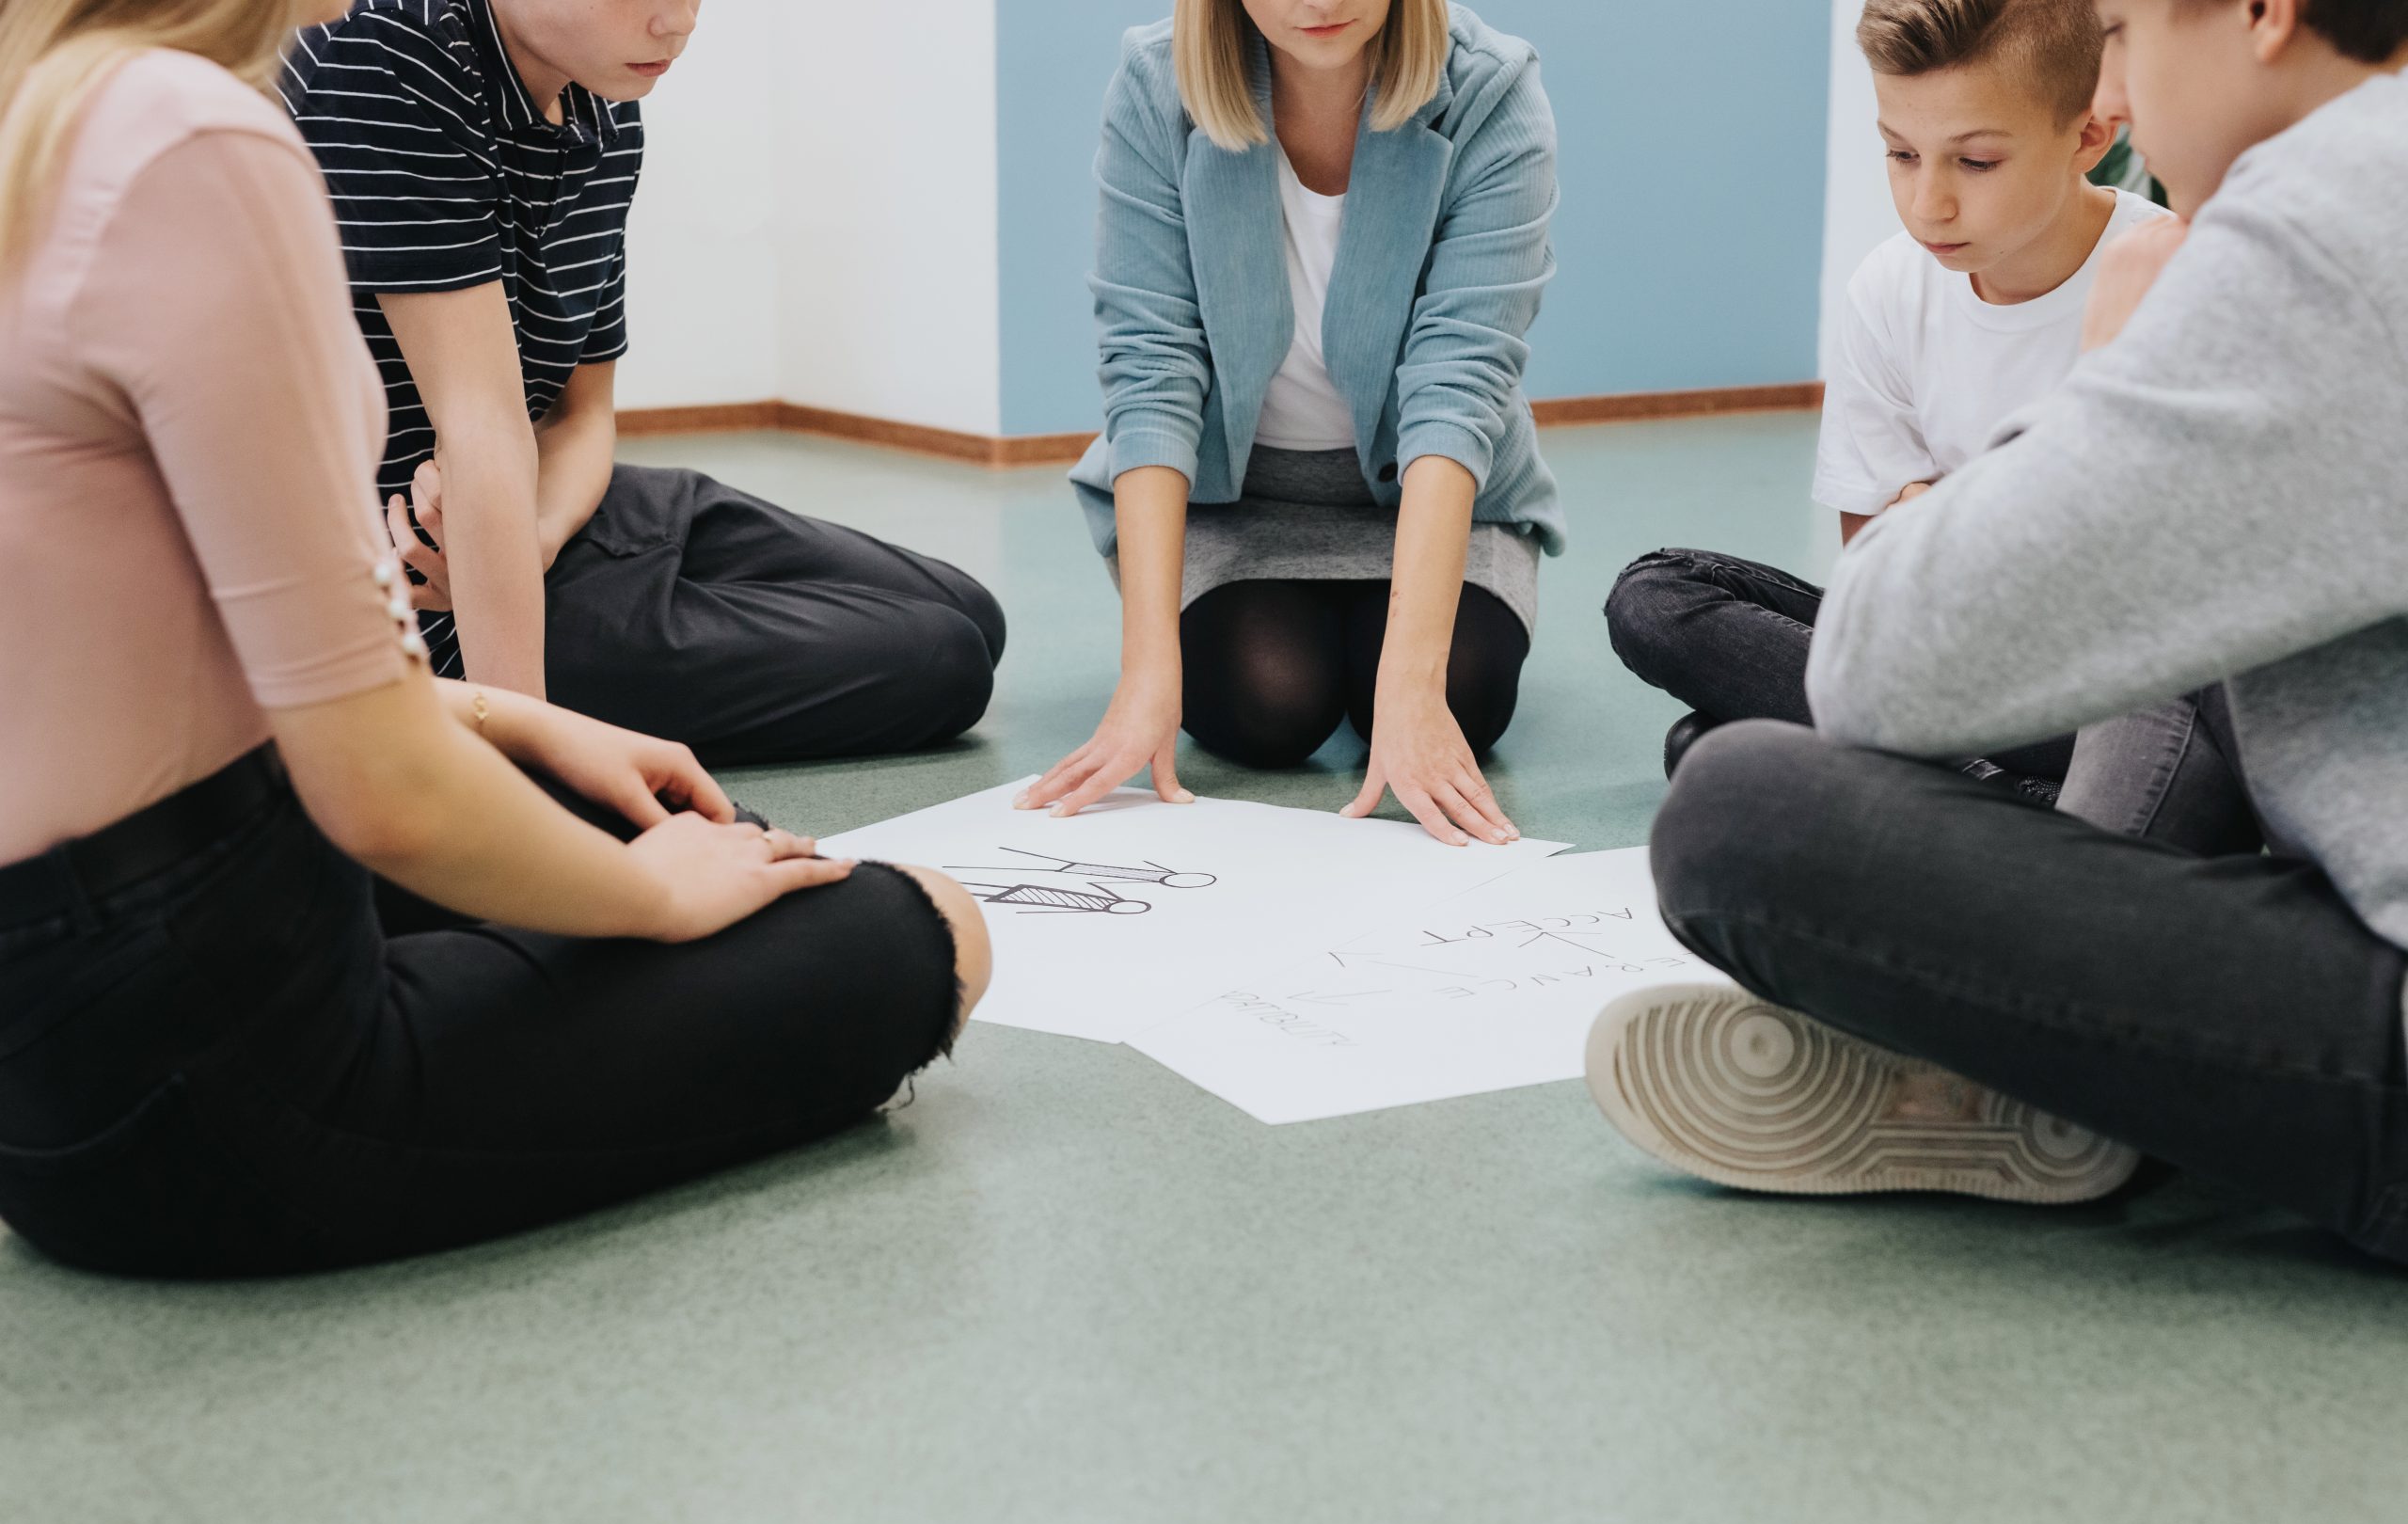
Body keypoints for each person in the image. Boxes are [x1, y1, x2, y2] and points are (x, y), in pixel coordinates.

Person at [0, 0, 991, 1277]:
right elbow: (384, 792)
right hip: (216, 1079)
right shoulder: (195, 137)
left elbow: (156, 632)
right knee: (932, 923)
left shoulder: (55, 102)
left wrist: (516, 718)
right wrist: (650, 896)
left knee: (756, 784)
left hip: (55, 1040)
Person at [1588, 0, 2408, 1260]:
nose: (2116, 99)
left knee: (1740, 803)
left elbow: (1879, 666)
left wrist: (2108, 357)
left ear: (2263, 12)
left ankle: (2048, 1075)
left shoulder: (2322, 220)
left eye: (2126, 31)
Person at [278, 0, 1006, 763]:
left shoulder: (606, 103)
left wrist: (537, 535)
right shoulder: (391, 49)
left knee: (973, 612)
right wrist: (525, 760)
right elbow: (480, 424)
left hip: (546, 515)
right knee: (945, 658)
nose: (679, 22)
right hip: (430, 594)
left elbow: (581, 416)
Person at [1604, 0, 2251, 853]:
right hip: (1951, 661)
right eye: (1900, 154)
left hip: (2105, 690)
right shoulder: (1887, 290)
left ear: (2090, 134)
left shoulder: (2167, 268)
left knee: (1712, 752)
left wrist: (1941, 518)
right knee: (1654, 597)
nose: (1928, 202)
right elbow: (1878, 584)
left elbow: (2162, 598)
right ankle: (1989, 789)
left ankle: (1926, 782)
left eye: (1976, 161)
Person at [1022, 0, 1563, 849]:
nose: (1318, 3)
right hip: (1236, 504)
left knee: (1461, 693)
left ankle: (1388, 652)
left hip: (1425, 495)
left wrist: (1413, 683)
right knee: (1264, 704)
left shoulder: (1490, 91)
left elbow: (1458, 387)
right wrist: (1146, 673)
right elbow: (1152, 369)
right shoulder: (1154, 83)